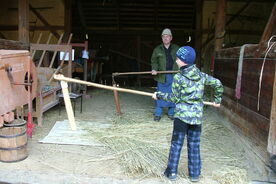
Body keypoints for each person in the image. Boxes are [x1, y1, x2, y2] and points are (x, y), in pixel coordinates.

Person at [152, 46, 223, 182]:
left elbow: (175, 98)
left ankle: (171, 173)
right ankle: (194, 174)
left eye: (177, 58)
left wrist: (159, 95)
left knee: (176, 144)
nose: (176, 60)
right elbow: (218, 84)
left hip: (181, 118)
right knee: (194, 145)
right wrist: (217, 100)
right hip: (196, 118)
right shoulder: (201, 76)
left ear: (183, 61)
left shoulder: (179, 77)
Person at [151, 28, 179, 122]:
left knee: (172, 94)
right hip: (162, 76)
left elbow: (181, 60)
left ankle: (171, 113)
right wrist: (154, 69)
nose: (166, 38)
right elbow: (154, 61)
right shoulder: (157, 49)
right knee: (160, 94)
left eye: (167, 36)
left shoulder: (177, 48)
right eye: (164, 36)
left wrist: (182, 69)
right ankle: (158, 114)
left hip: (174, 75)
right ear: (162, 38)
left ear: (171, 38)